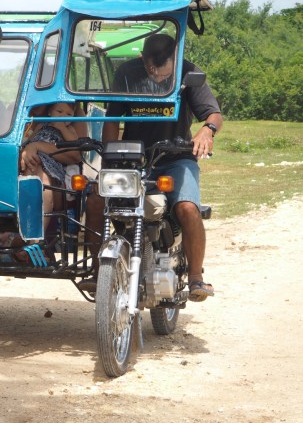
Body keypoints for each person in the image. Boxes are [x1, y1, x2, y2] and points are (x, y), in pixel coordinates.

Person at [86, 34, 223, 301]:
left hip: (175, 158)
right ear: (142, 59)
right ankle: (97, 270)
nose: (156, 75)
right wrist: (110, 161)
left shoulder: (189, 72)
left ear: (175, 57)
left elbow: (213, 113)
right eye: (151, 69)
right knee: (94, 200)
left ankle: (196, 278)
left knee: (187, 208)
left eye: (162, 70)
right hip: (133, 159)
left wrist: (208, 130)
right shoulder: (127, 74)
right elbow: (113, 119)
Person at [20, 101, 87, 234]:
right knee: (33, 168)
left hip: (51, 161)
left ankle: (34, 236)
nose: (63, 116)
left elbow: (75, 147)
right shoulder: (40, 124)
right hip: (33, 159)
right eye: (59, 112)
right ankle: (31, 236)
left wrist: (62, 128)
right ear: (50, 112)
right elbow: (29, 141)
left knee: (37, 176)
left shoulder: (69, 129)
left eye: (69, 114)